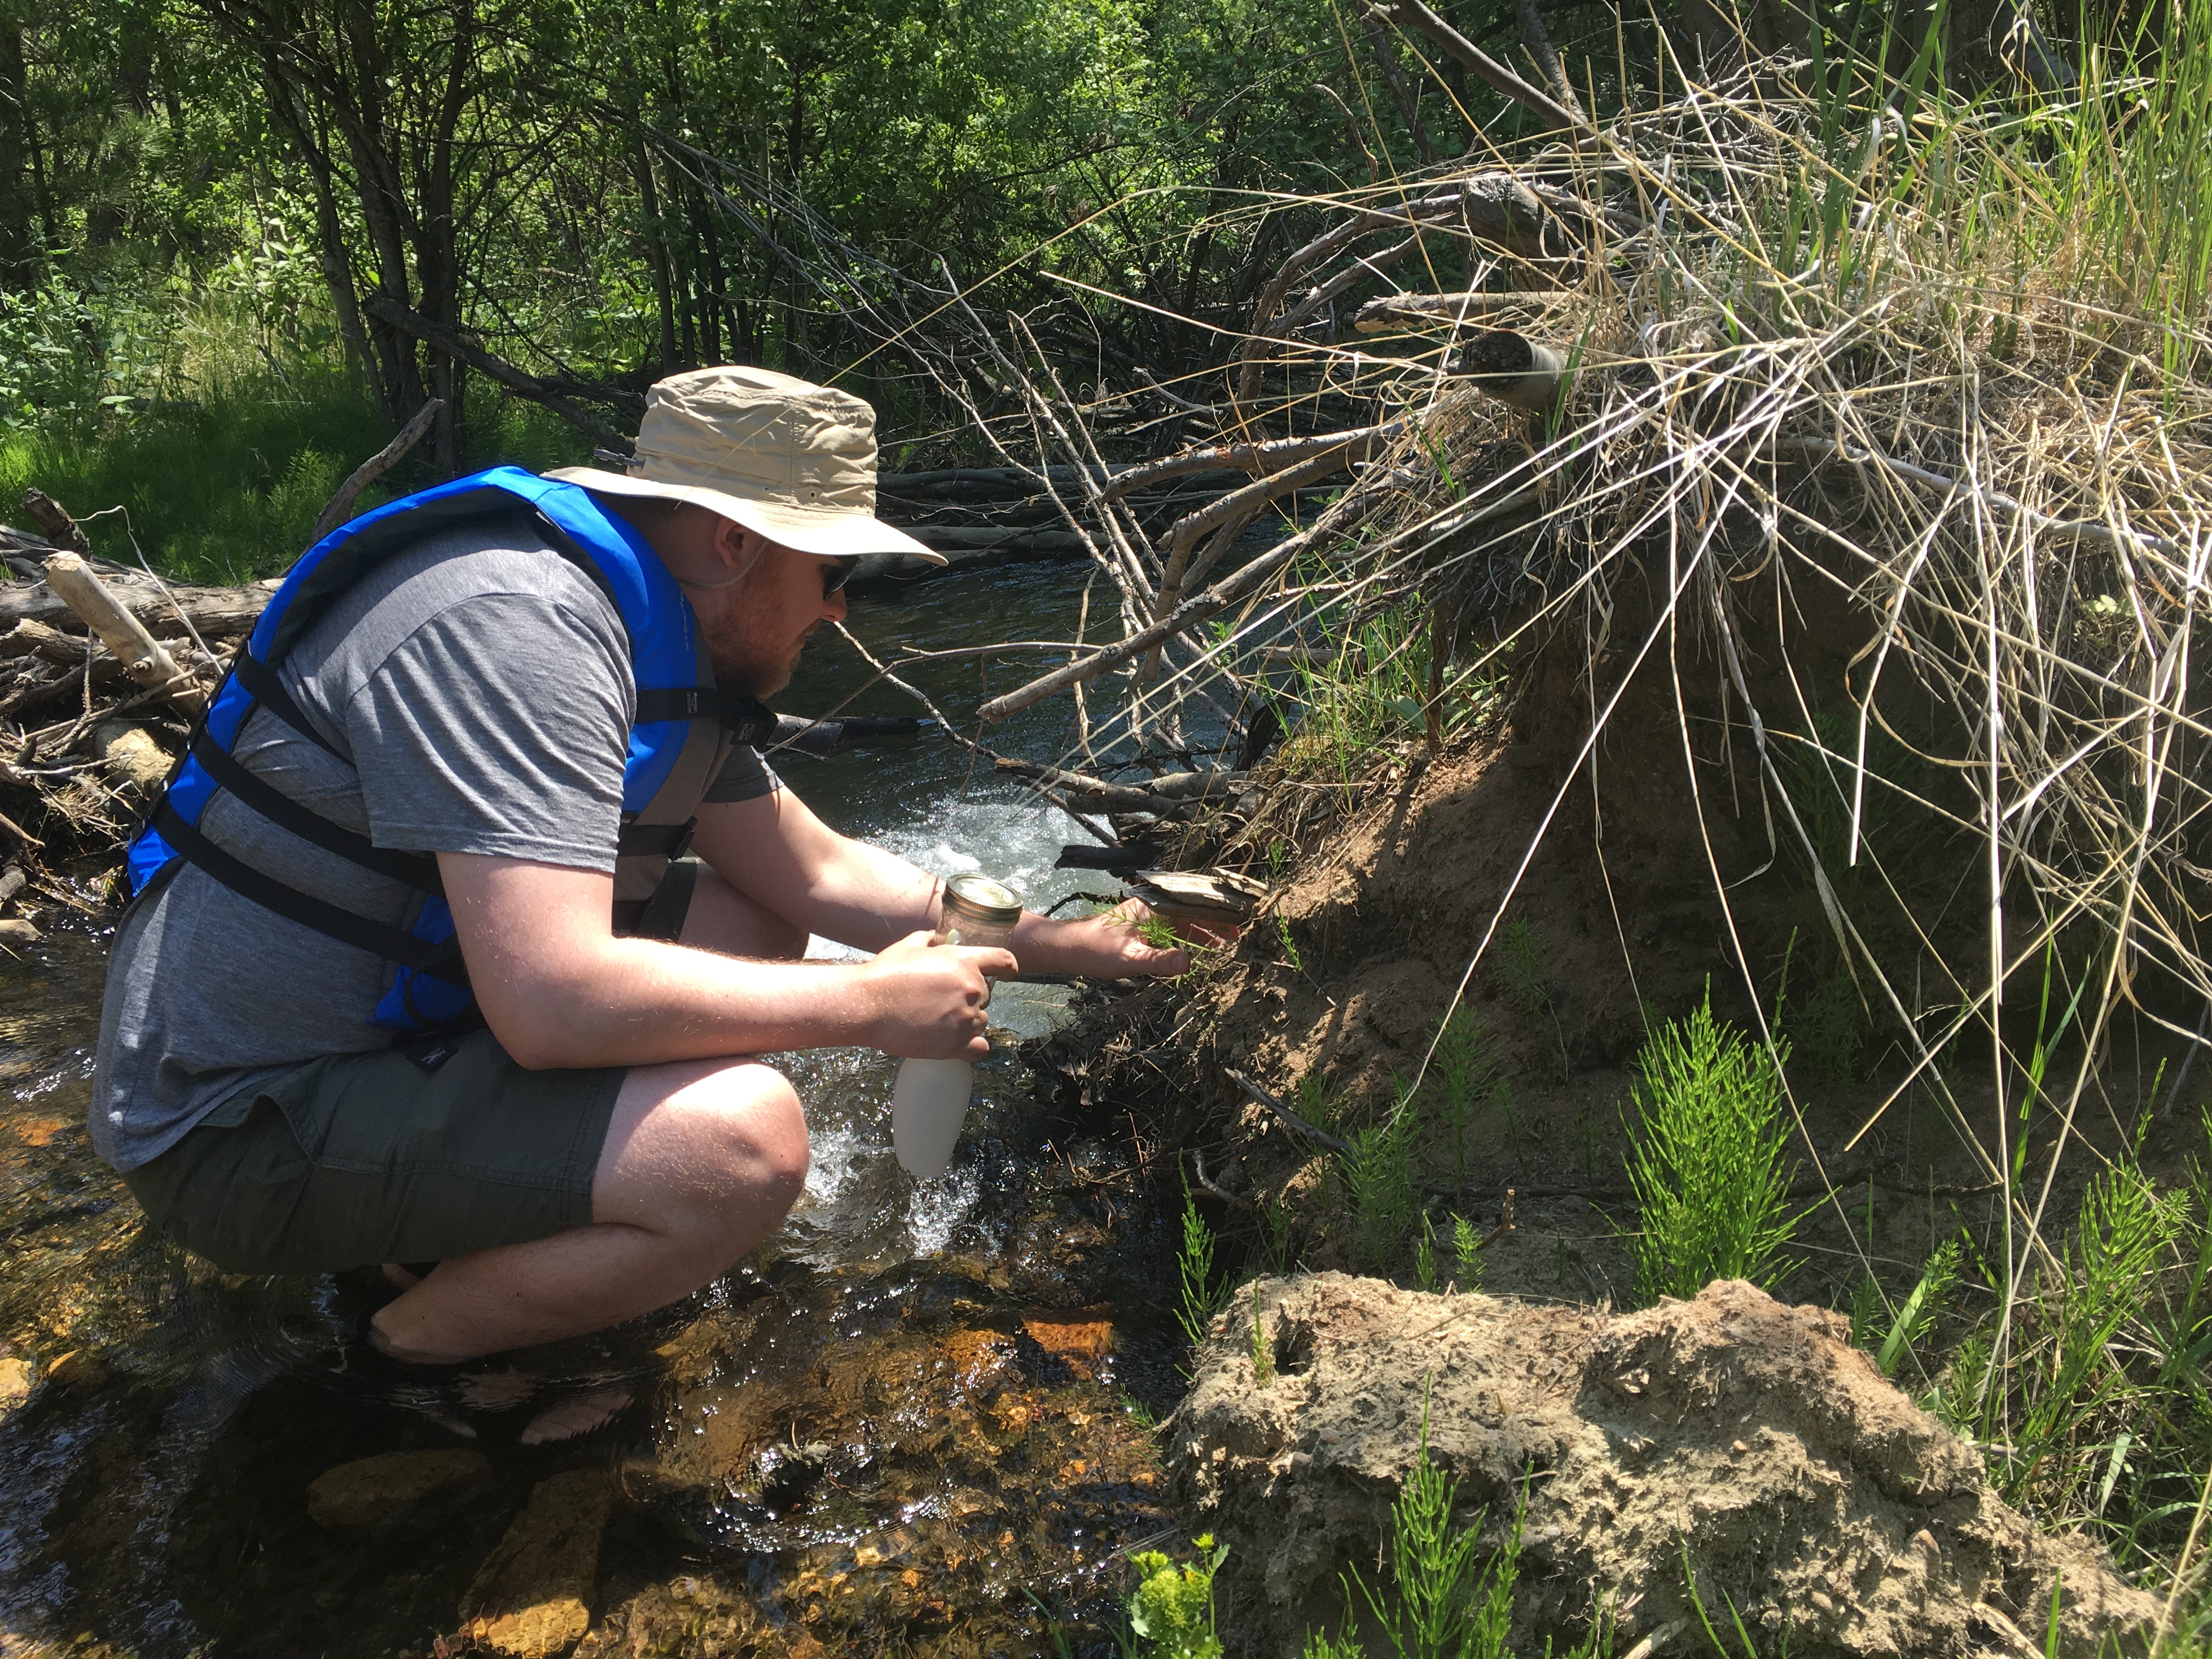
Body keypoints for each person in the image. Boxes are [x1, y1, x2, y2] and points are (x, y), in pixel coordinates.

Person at [91, 365, 1188, 1393]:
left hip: (362, 1054)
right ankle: (402, 1356)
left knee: (747, 917)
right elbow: (554, 1003)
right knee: (743, 1145)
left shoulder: (646, 636)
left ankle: (439, 1240)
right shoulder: (518, 631)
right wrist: (867, 1008)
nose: (841, 608)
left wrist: (1055, 947)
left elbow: (815, 872)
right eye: (833, 572)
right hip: (230, 1131)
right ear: (728, 542)